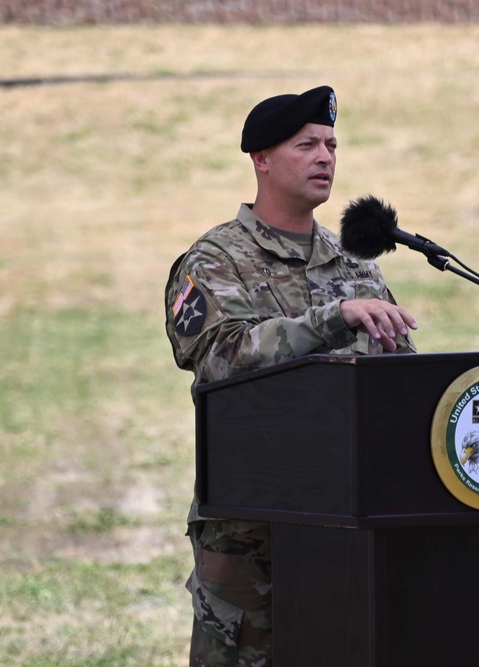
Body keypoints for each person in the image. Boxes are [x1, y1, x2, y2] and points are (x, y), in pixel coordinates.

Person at [164, 84, 418, 667]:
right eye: (307, 145)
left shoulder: (356, 262)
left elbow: (398, 380)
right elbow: (222, 356)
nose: (326, 157)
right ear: (261, 159)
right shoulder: (213, 261)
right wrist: (330, 318)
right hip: (254, 533)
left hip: (354, 520)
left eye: (332, 144)